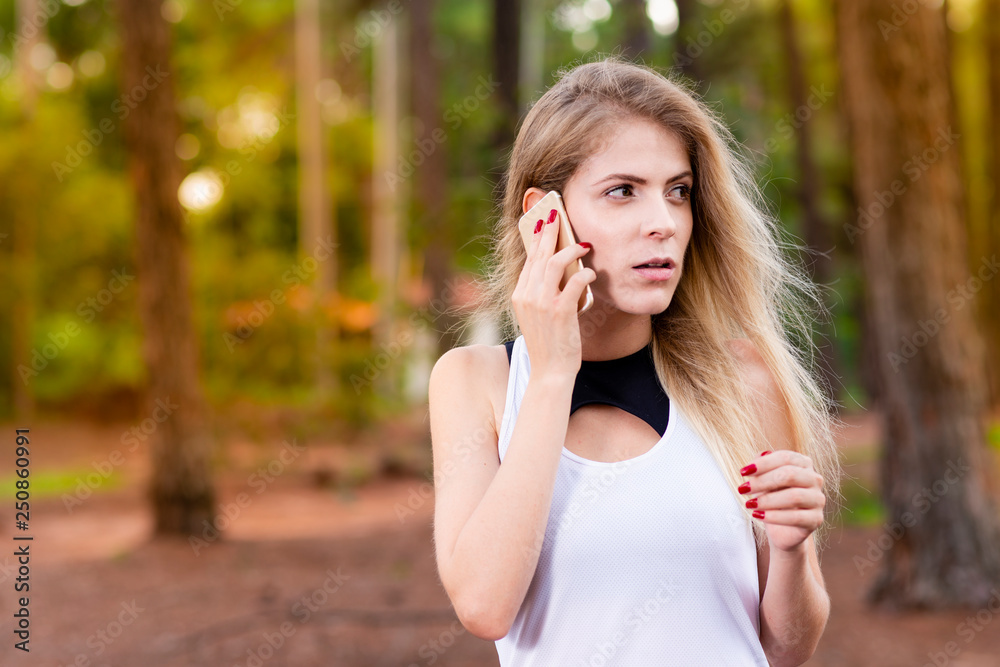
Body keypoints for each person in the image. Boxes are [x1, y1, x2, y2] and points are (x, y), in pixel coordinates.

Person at [427, 56, 841, 666]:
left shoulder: (743, 381)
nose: (663, 223)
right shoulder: (475, 382)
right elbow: (486, 605)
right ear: (545, 216)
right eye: (623, 192)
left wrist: (791, 551)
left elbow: (786, 650)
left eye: (678, 192)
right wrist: (553, 372)